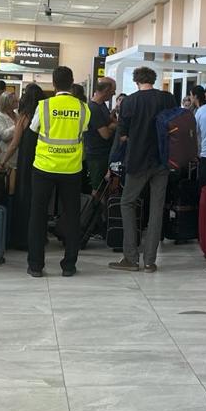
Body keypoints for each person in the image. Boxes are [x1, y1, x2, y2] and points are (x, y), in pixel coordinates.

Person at [108, 66, 175, 273]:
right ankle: (150, 261)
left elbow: (121, 134)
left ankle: (130, 257)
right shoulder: (167, 99)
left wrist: (113, 161)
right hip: (162, 160)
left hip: (137, 161)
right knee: (156, 208)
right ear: (153, 80)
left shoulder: (130, 101)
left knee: (127, 202)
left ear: (136, 81)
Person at [27, 66, 89, 278]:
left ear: (53, 83)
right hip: (72, 168)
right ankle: (69, 265)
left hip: (44, 167)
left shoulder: (44, 106)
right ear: (72, 83)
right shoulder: (82, 108)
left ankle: (36, 265)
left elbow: (33, 129)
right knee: (71, 217)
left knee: (38, 215)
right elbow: (83, 132)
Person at [0, 84, 43, 251]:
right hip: (42, 160)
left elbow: (14, 143)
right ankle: (38, 236)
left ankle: (22, 238)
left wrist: (2, 162)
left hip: (25, 162)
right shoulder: (44, 115)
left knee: (24, 198)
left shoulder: (24, 117)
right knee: (38, 201)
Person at [83, 77, 117, 191]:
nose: (114, 93)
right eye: (113, 90)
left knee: (103, 187)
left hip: (104, 153)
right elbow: (105, 134)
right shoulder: (93, 108)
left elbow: (109, 121)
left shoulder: (102, 105)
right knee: (98, 188)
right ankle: (97, 208)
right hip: (97, 155)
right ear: (107, 89)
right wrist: (112, 126)